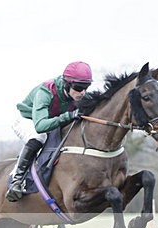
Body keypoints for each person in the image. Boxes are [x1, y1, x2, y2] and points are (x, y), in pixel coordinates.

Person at [6, 61, 93, 202]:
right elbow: (40, 125)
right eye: (78, 88)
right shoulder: (46, 91)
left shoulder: (77, 95)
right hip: (27, 119)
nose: (82, 92)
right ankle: (17, 180)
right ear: (66, 84)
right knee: (39, 136)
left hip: (50, 120)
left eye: (86, 87)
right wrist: (67, 116)